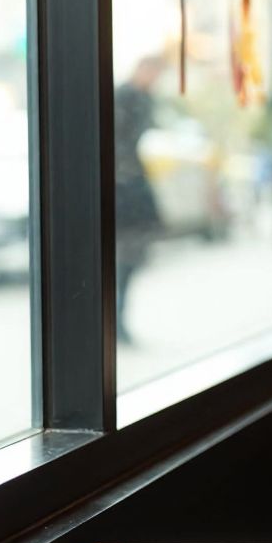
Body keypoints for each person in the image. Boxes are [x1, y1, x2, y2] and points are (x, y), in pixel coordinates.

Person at [115, 55, 165, 347]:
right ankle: (115, 318)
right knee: (123, 256)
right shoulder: (125, 97)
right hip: (123, 185)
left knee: (131, 257)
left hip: (131, 183)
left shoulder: (144, 100)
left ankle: (119, 317)